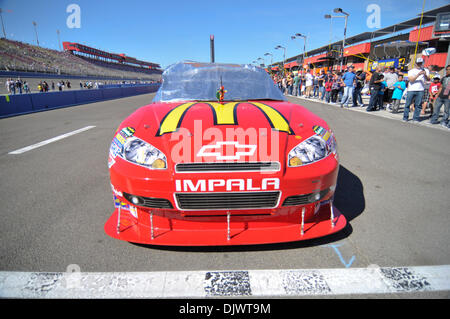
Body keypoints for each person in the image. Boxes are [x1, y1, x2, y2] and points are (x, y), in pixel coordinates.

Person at [402, 57, 430, 122]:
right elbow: (411, 80)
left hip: (420, 90)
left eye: (420, 63)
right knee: (408, 104)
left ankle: (416, 118)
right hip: (411, 89)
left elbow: (428, 79)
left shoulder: (426, 70)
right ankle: (405, 117)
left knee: (418, 105)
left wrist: (425, 74)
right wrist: (418, 74)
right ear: (415, 63)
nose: (419, 65)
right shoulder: (411, 71)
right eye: (418, 63)